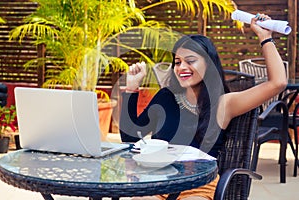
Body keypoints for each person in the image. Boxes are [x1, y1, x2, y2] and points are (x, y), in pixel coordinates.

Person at [119, 13, 287, 200]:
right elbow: (130, 138)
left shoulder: (224, 103)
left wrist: (265, 37)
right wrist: (131, 89)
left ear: (209, 64)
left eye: (190, 61)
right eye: (177, 62)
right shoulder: (166, 97)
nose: (182, 67)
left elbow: (278, 83)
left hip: (198, 187)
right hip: (159, 181)